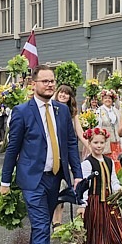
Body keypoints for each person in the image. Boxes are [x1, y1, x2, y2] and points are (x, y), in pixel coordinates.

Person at [1, 65, 83, 244]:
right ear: (33, 83)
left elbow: (70, 144)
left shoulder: (61, 111)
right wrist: (6, 181)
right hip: (32, 179)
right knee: (39, 228)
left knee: (42, 228)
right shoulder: (22, 111)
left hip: (54, 178)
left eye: (52, 81)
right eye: (44, 81)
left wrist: (76, 174)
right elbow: (12, 148)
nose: (49, 84)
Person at [79, 127, 122, 244]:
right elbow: (84, 186)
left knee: (117, 233)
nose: (99, 145)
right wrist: (83, 205)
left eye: (102, 143)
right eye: (95, 142)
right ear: (89, 143)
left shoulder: (109, 161)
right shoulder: (87, 163)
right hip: (94, 202)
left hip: (110, 202)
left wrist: (118, 188)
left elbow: (113, 180)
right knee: (96, 235)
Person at [51, 84, 86, 228]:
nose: (63, 95)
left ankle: (57, 222)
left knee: (63, 187)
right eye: (61, 92)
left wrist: (91, 144)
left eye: (67, 93)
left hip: (66, 155)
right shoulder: (50, 109)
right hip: (53, 154)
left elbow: (79, 133)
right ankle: (54, 221)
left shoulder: (72, 114)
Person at [96, 89, 122, 166]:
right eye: (105, 98)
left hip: (116, 141)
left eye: (109, 98)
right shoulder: (99, 111)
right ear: (102, 100)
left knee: (118, 162)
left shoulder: (116, 111)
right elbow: (98, 126)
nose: (108, 100)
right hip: (106, 142)